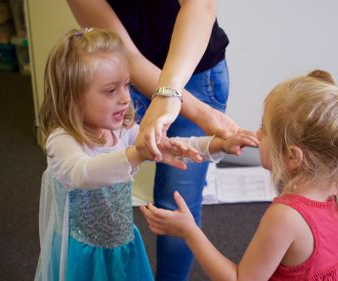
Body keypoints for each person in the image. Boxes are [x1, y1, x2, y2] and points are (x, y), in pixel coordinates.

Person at [34, 28, 259, 281]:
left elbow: (171, 146)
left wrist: (218, 145)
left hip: (122, 244)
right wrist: (138, 153)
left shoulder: (122, 130)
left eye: (127, 85)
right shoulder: (62, 140)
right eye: (110, 90)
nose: (124, 98)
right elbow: (83, 173)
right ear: (71, 98)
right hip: (85, 256)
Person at [142, 70, 338, 280]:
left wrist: (191, 232)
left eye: (263, 129)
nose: (256, 135)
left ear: (293, 156)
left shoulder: (287, 215)